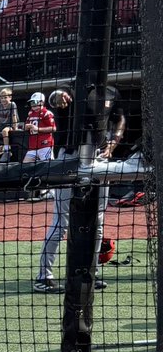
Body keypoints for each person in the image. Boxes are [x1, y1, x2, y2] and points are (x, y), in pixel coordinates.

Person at [33, 86, 119, 293]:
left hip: (97, 158)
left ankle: (92, 272)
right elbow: (57, 98)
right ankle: (43, 277)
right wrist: (57, 97)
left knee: (97, 220)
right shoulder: (76, 88)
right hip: (69, 157)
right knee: (61, 221)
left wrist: (114, 142)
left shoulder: (111, 92)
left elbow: (119, 118)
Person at [0, 88, 20, 163]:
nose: (3, 99)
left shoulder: (12, 104)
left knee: (4, 131)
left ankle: (7, 151)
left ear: (10, 97)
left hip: (10, 125)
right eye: (1, 98)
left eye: (5, 97)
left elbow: (14, 117)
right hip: (1, 126)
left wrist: (15, 128)